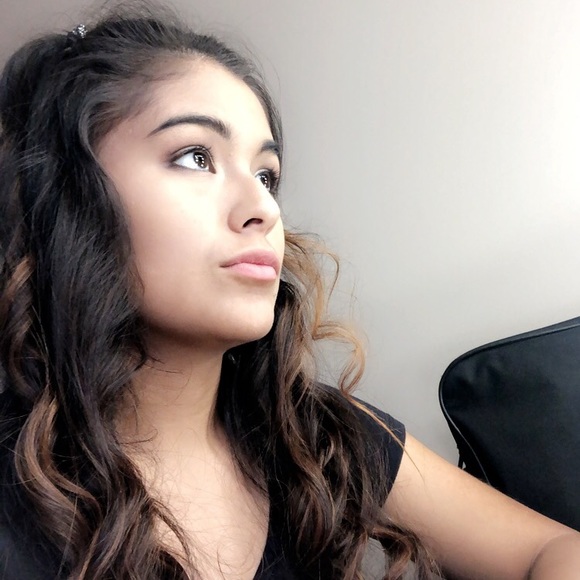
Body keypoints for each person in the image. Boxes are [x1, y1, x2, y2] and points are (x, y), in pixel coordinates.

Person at [0, 4, 579, 579]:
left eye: (266, 175)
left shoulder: (315, 434)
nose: (264, 209)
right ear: (66, 199)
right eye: (196, 157)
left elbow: (549, 548)